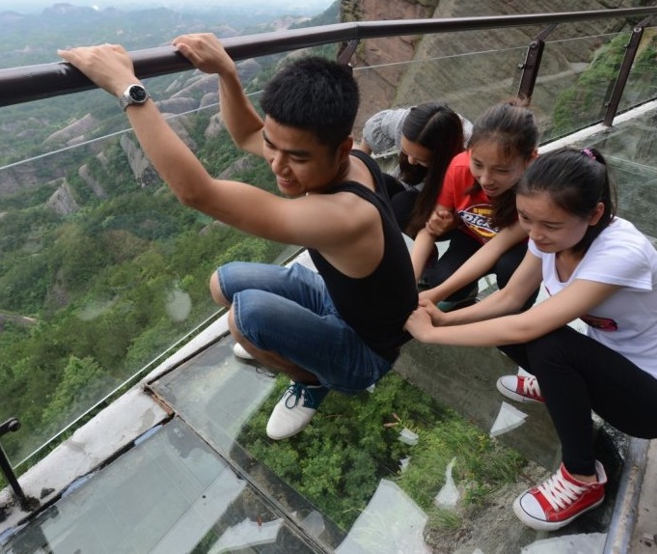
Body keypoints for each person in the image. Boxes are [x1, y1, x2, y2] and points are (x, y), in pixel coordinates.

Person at [58, 34, 417, 441]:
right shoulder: (351, 161)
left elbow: (198, 193)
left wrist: (129, 90)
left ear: (341, 149)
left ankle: (315, 380)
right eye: (273, 146)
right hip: (342, 302)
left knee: (243, 317)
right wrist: (227, 73)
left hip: (365, 349)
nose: (278, 166)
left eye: (297, 158)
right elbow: (249, 135)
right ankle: (298, 342)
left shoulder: (343, 216)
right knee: (221, 282)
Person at [404, 146, 657, 531]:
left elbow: (528, 327)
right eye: (526, 218)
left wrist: (431, 336)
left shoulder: (622, 253)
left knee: (547, 342)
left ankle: (582, 478)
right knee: (510, 322)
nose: (536, 235)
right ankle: (561, 387)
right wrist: (444, 319)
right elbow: (508, 299)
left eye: (550, 226)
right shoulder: (548, 237)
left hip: (653, 402)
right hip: (610, 371)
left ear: (594, 214)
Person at [412, 99, 540, 307]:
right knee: (441, 279)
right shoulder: (459, 168)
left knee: (511, 271)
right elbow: (429, 229)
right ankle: (466, 291)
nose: (486, 179)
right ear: (469, 150)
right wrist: (409, 282)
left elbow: (497, 247)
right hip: (475, 237)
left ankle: (519, 308)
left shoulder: (539, 190)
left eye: (502, 170)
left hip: (517, 250)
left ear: (530, 159)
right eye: (478, 164)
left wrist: (434, 295)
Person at [357, 103, 472, 238]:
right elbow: (371, 132)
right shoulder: (407, 122)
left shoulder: (467, 159)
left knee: (402, 205)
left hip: (440, 209)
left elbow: (467, 211)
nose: (410, 161)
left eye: (421, 160)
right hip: (407, 185)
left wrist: (450, 222)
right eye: (406, 152)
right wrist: (358, 170)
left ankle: (422, 249)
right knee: (375, 180)